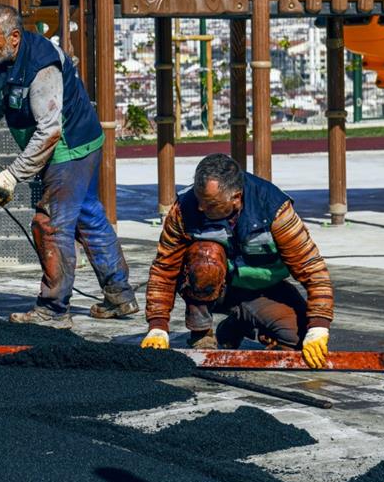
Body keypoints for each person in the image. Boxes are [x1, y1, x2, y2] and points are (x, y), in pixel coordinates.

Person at [0, 3, 138, 329]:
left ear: (13, 37)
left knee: (50, 223)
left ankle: (53, 310)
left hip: (69, 148)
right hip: (78, 141)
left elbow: (49, 134)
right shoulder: (5, 58)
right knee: (86, 215)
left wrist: (11, 176)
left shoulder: (43, 69)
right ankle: (120, 295)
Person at [139, 153, 333, 368]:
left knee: (296, 341)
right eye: (199, 199)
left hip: (263, 290)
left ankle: (238, 324)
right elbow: (164, 269)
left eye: (210, 204)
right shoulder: (184, 209)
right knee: (206, 256)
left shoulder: (274, 209)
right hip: (215, 289)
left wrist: (318, 327)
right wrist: (158, 326)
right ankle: (201, 333)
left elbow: (312, 268)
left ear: (236, 197)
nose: (201, 208)